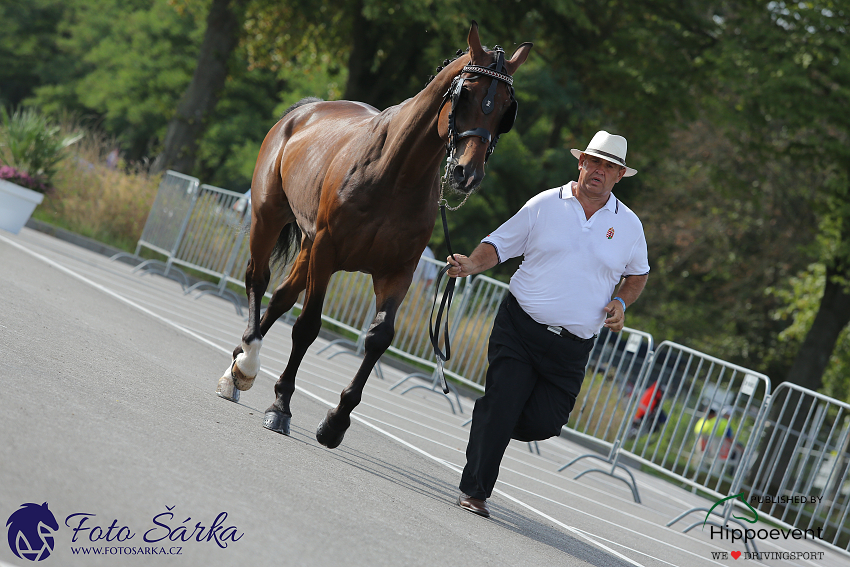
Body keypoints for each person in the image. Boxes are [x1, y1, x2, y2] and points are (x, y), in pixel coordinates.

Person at [446, 131, 650, 518]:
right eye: (594, 162)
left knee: (546, 422)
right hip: (521, 325)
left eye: (609, 167)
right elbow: (500, 243)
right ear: (581, 162)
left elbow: (637, 275)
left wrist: (621, 301)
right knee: (503, 405)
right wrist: (472, 264)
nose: (599, 171)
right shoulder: (545, 204)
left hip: (572, 347)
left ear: (620, 175)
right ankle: (475, 490)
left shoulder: (630, 226)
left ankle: (492, 419)